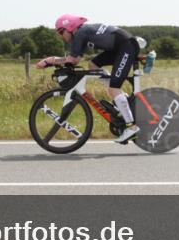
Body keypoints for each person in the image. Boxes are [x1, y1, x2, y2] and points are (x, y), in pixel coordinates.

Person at [36, 15, 141, 144]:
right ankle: (121, 98)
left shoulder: (80, 33)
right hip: (120, 46)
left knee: (114, 88)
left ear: (69, 27)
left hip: (126, 46)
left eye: (61, 31)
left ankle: (131, 127)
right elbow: (76, 58)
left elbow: (73, 60)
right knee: (93, 65)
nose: (60, 36)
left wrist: (50, 60)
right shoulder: (82, 32)